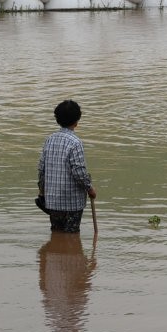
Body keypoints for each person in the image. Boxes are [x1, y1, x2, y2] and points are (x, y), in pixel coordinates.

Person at [38, 100, 96, 233]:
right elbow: (79, 173)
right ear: (77, 121)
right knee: (71, 237)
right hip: (72, 203)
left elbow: (42, 169)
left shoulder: (50, 140)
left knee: (57, 234)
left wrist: (41, 190)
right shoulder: (75, 143)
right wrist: (89, 188)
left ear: (57, 120)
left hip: (52, 201)